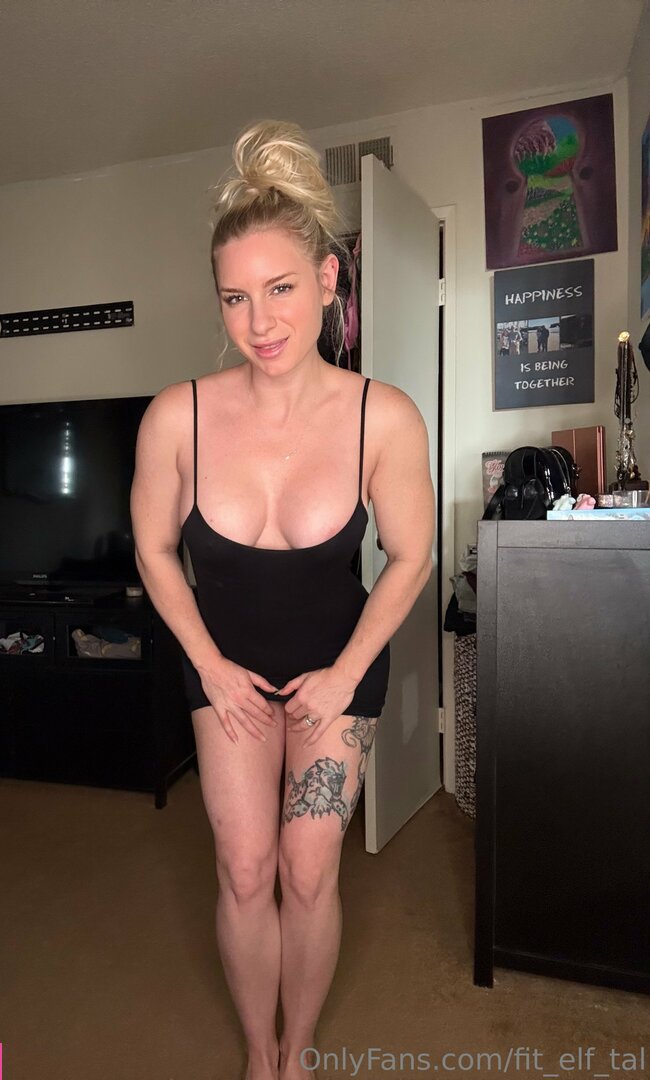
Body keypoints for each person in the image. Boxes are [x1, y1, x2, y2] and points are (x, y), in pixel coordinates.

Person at [131, 119, 434, 1080]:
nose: (260, 321)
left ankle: (296, 1054)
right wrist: (211, 667)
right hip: (223, 670)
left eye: (281, 289)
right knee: (244, 868)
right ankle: (258, 1058)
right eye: (236, 297)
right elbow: (153, 549)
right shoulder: (176, 416)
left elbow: (412, 557)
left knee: (308, 870)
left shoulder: (383, 416)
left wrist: (345, 677)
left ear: (328, 280)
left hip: (338, 672)